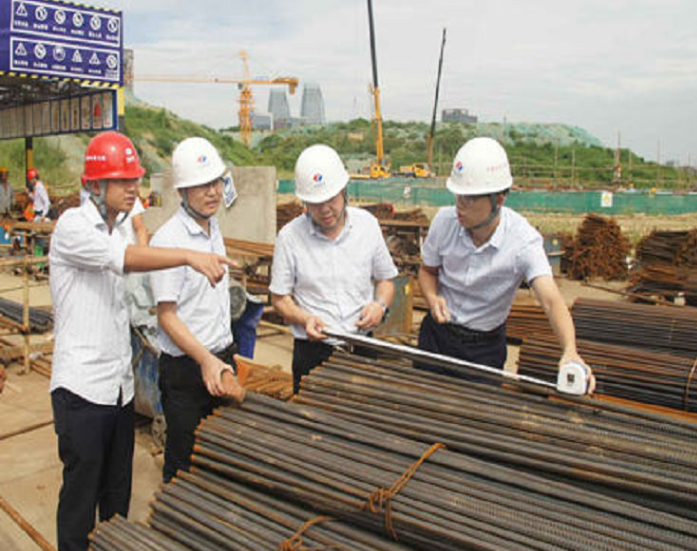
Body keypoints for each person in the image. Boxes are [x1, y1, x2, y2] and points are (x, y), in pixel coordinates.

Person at [49, 131, 235, 551]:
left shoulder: (119, 233)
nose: (134, 188)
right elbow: (131, 261)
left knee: (117, 495)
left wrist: (138, 226)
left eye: (135, 179)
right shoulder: (73, 227)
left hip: (118, 388)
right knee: (81, 496)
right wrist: (188, 255)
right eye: (122, 181)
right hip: (81, 389)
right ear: (95, 185)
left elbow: (133, 252)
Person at [417, 137, 594, 391]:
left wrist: (570, 351)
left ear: (498, 199)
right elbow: (427, 271)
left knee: (476, 420)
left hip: (483, 349)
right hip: (436, 337)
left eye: (469, 199)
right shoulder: (444, 222)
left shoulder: (522, 243)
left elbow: (551, 300)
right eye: (458, 196)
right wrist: (433, 298)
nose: (460, 206)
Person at [150, 137, 245, 483]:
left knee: (219, 457)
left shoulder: (213, 227)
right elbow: (167, 316)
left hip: (222, 357)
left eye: (216, 182)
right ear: (181, 192)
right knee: (185, 464)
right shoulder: (168, 240)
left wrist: (221, 359)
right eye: (201, 185)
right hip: (187, 370)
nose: (212, 192)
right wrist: (205, 360)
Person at [270, 144, 398, 393]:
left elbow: (386, 280)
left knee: (363, 422)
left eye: (331, 199)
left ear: (344, 190)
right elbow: (279, 298)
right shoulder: (290, 237)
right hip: (313, 353)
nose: (325, 209)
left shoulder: (367, 227)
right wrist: (304, 318)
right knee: (312, 424)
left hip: (361, 348)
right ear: (304, 201)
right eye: (316, 203)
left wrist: (379, 306)